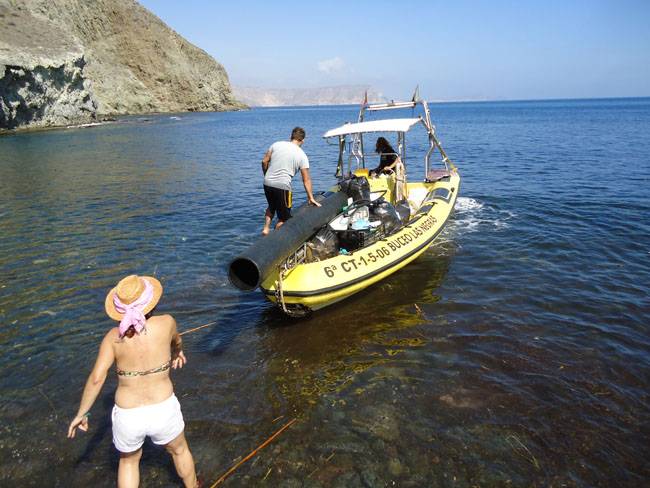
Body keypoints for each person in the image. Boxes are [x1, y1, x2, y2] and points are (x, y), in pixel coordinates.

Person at [67, 275, 198, 488]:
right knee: (180, 450)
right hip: (163, 407)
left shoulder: (113, 338)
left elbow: (97, 378)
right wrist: (178, 353)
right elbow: (178, 340)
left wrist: (82, 413)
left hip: (128, 415)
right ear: (150, 302)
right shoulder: (167, 323)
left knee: (128, 461)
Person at [261, 126, 321, 235]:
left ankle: (266, 228)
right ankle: (275, 238)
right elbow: (306, 179)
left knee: (271, 205)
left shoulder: (276, 145)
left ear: (291, 137)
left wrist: (267, 175)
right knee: (284, 219)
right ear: (303, 140)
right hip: (283, 186)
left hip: (267, 183)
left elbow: (264, 161)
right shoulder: (302, 155)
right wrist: (311, 198)